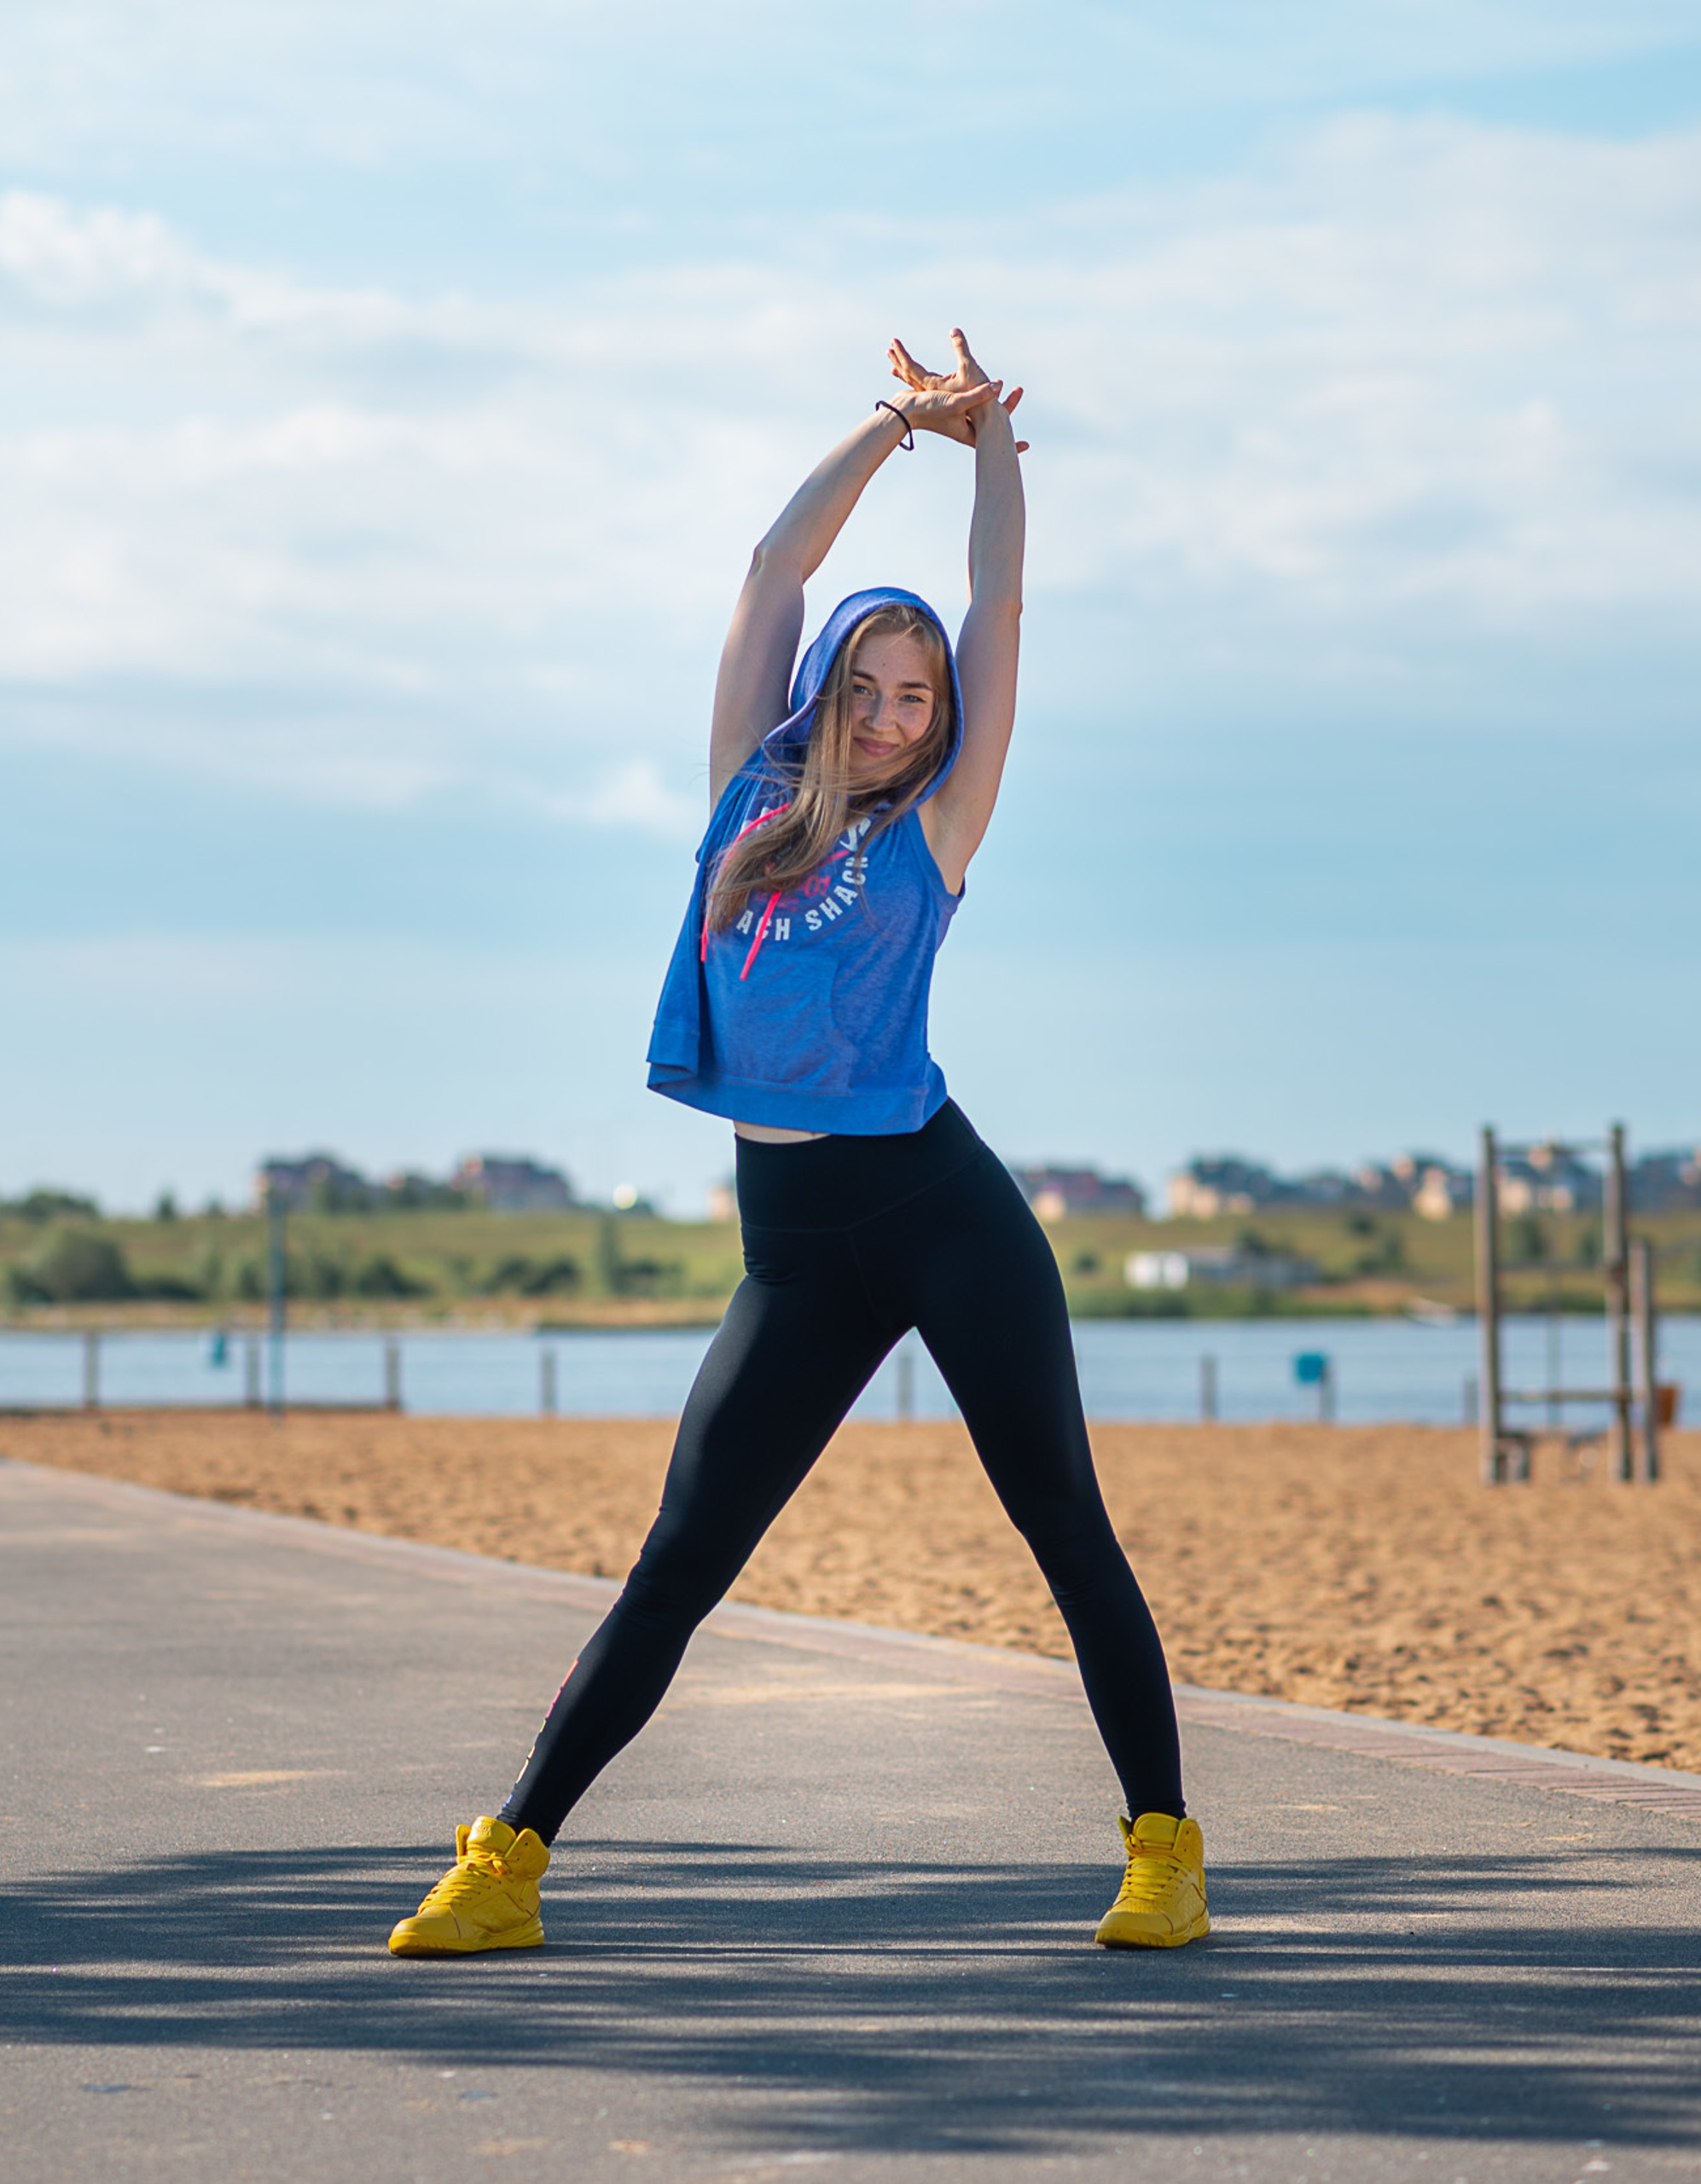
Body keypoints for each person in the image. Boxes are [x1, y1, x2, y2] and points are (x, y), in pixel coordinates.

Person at [388, 330, 1208, 1957]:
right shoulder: (737, 794)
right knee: (682, 1555)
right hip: (796, 1246)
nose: (900, 714)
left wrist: (988, 458)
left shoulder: (945, 828)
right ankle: (510, 1862)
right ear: (828, 685)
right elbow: (777, 559)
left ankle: (1166, 1847)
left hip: (941, 1208)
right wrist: (891, 425)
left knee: (1062, 1526)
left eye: (923, 698)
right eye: (873, 688)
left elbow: (1001, 614)